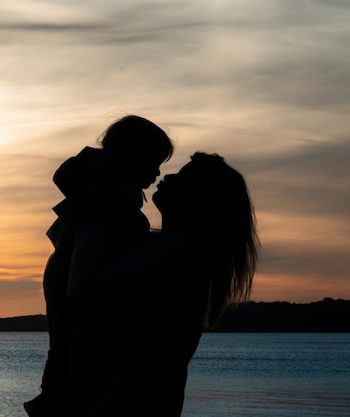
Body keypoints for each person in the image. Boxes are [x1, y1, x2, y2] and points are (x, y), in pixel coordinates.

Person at [66, 152, 259, 416]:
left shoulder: (179, 254)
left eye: (182, 176)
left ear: (199, 198)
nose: (167, 176)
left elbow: (82, 286)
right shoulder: (171, 252)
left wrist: (93, 215)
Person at [24, 116, 174, 417]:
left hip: (62, 268)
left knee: (63, 336)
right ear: (134, 154)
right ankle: (53, 397)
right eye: (154, 162)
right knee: (67, 338)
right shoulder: (116, 183)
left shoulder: (103, 177)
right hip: (69, 270)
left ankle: (53, 394)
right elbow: (119, 230)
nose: (158, 173)